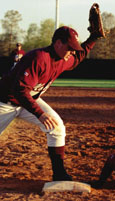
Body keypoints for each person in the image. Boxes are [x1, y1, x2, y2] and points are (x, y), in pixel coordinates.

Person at [0, 25, 100, 181]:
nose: (73, 51)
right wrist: (40, 114)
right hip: (5, 102)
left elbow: (78, 57)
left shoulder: (63, 58)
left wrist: (93, 38)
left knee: (56, 127)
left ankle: (59, 174)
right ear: (58, 43)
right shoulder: (39, 58)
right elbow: (20, 90)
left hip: (28, 100)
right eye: (70, 47)